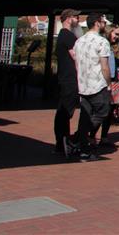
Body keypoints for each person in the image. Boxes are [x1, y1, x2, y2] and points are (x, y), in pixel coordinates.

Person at [72, 13, 112, 161]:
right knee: (103, 112)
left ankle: (83, 149)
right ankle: (77, 138)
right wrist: (108, 83)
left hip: (83, 83)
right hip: (97, 84)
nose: (104, 24)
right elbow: (105, 67)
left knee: (85, 116)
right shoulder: (102, 42)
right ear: (97, 23)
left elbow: (77, 64)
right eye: (103, 22)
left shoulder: (79, 42)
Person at [90, 24, 119, 146]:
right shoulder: (103, 44)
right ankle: (91, 135)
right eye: (114, 34)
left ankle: (104, 136)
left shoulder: (116, 46)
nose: (116, 37)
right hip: (105, 81)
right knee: (102, 109)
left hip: (114, 81)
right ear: (108, 32)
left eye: (117, 35)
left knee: (110, 110)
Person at [53, 9, 81, 157]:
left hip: (65, 78)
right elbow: (76, 57)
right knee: (66, 111)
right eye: (76, 17)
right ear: (69, 19)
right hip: (70, 79)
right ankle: (65, 142)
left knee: (63, 110)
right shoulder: (69, 36)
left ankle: (61, 142)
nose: (78, 19)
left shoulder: (62, 35)